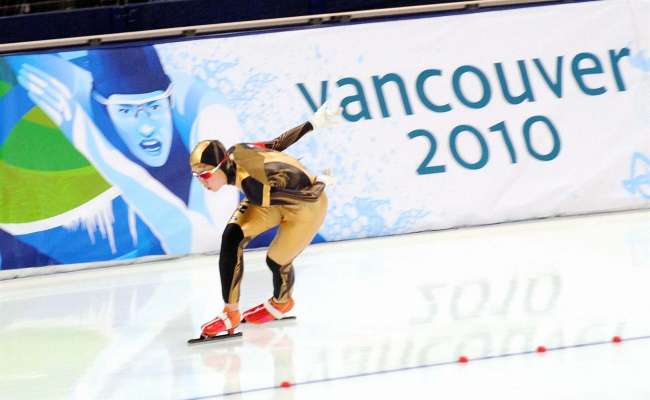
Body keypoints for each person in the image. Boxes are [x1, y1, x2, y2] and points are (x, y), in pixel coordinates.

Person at [190, 103, 341, 338]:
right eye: (196, 175)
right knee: (232, 236)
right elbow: (276, 144)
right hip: (273, 195)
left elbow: (308, 195)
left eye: (205, 174)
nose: (202, 181)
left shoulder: (251, 184)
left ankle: (282, 302)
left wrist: (320, 181)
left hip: (307, 205)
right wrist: (312, 123)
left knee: (276, 260)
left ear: (221, 166)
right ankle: (230, 313)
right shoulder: (237, 151)